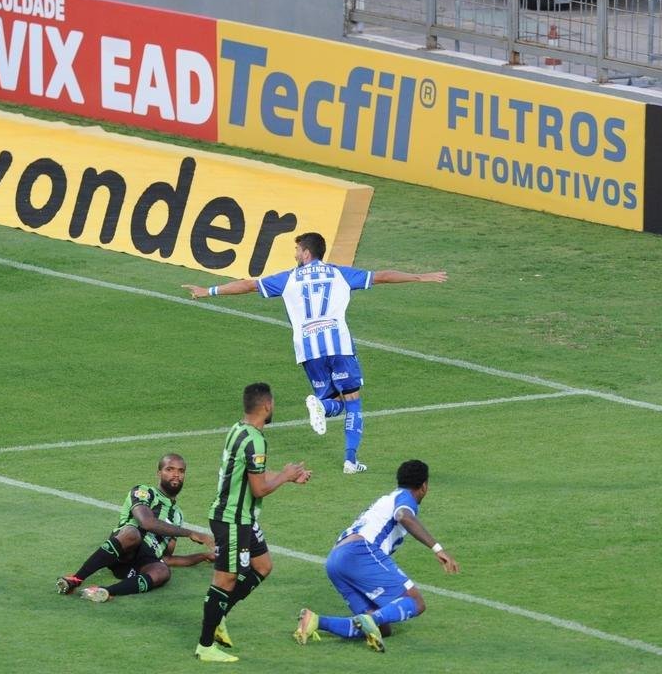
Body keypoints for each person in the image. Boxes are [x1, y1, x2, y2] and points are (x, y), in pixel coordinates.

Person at [183, 232, 447, 474]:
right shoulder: (339, 273)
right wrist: (419, 277)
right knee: (352, 402)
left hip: (308, 350)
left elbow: (249, 285)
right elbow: (382, 276)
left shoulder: (288, 278)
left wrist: (209, 291)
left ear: (307, 253)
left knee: (337, 402)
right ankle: (349, 459)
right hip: (339, 345)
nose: (295, 254)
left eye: (297, 250)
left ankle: (329, 418)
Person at [194, 382, 311, 663]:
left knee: (262, 566)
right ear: (267, 406)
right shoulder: (256, 440)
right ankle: (205, 645)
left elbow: (250, 473)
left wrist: (289, 476)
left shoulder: (239, 430)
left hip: (240, 517)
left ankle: (219, 615)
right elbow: (259, 489)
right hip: (233, 519)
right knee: (225, 579)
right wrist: (284, 476)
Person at [293, 459, 459, 652]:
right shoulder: (405, 498)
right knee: (416, 602)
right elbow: (403, 516)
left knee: (382, 628)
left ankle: (315, 621)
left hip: (335, 560)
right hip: (360, 551)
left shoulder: (387, 499)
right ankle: (370, 619)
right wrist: (437, 548)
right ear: (424, 486)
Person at [55, 453, 215, 602]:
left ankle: (105, 592)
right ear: (159, 473)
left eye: (181, 471)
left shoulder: (178, 516)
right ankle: (76, 579)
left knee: (163, 571)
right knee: (132, 533)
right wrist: (191, 533)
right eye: (169, 469)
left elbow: (166, 558)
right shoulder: (143, 492)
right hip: (124, 550)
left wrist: (203, 556)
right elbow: (147, 522)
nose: (176, 475)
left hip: (141, 563)